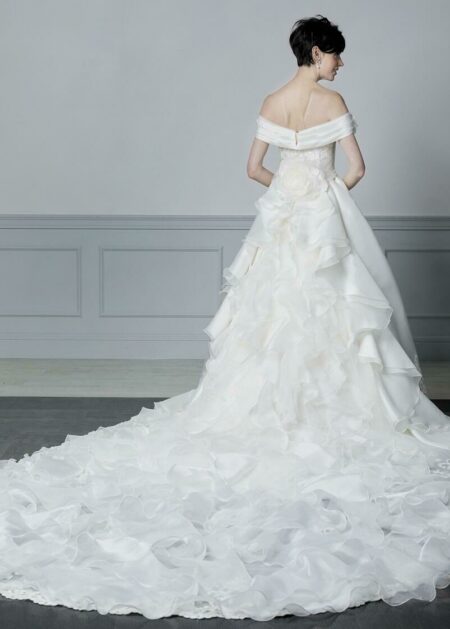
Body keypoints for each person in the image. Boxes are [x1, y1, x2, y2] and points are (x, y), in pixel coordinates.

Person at [0, 14, 449, 622]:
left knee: (269, 319)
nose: (341, 64)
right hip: (321, 224)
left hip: (280, 223)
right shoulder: (332, 102)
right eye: (337, 55)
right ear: (318, 52)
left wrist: (289, 192)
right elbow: (357, 170)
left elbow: (254, 169)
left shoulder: (271, 101)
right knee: (340, 315)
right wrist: (325, 198)